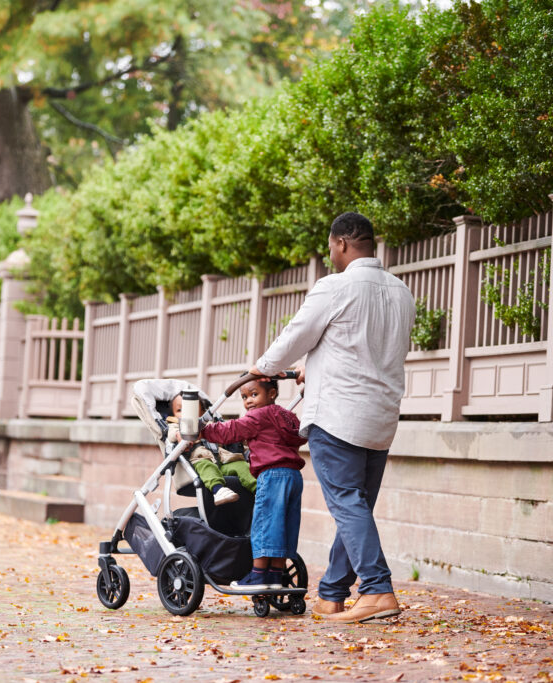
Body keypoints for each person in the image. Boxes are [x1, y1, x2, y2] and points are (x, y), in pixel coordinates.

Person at [248, 211, 413, 623]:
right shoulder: (401, 291)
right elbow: (367, 350)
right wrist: (315, 367)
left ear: (341, 243)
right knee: (355, 507)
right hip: (380, 419)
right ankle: (332, 595)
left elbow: (295, 337)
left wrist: (261, 368)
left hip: (339, 415)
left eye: (330, 247)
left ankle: (376, 589)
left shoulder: (334, 287)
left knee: (347, 505)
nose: (330, 255)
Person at [200, 377, 306, 590]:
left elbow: (231, 431)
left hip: (272, 475)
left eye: (254, 394)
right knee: (284, 524)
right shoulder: (288, 417)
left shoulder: (259, 416)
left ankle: (258, 574)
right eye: (244, 397)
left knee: (265, 524)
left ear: (272, 393)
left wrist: (203, 430)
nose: (248, 401)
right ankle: (276, 574)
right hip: (293, 476)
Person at [166, 393, 256, 505]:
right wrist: (180, 435)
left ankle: (259, 491)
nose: (185, 412)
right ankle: (218, 490)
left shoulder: (211, 423)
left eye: (191, 408)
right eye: (179, 410)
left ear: (202, 411)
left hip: (224, 461)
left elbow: (226, 433)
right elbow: (172, 434)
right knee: (207, 467)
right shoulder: (176, 424)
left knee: (241, 465)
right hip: (201, 460)